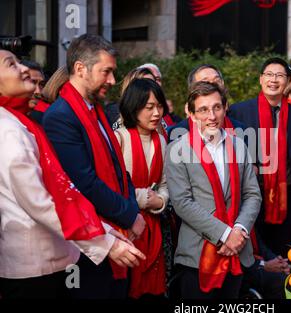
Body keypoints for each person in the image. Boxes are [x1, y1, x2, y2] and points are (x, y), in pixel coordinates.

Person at [0, 49, 145, 299]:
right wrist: (106, 241)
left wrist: (108, 231)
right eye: (11, 64)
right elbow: (45, 203)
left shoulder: (21, 123)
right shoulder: (10, 131)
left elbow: (72, 188)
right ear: (80, 69)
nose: (24, 68)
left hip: (55, 259)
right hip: (34, 269)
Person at [42, 34, 146, 299]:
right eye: (106, 72)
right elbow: (84, 183)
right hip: (87, 246)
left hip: (114, 233)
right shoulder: (60, 117)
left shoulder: (97, 111)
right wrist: (129, 215)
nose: (112, 81)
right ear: (80, 69)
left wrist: (131, 208)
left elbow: (119, 169)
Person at [164, 81, 261, 298]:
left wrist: (239, 231)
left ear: (225, 107)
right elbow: (182, 203)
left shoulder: (239, 145)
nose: (212, 115)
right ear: (191, 114)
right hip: (197, 257)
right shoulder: (177, 149)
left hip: (237, 252)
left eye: (217, 107)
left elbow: (252, 194)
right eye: (203, 110)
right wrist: (226, 234)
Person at [228, 57, 291, 258]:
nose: (274, 80)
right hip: (253, 195)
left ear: (287, 81)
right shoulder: (240, 111)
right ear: (261, 79)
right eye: (269, 75)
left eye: (279, 76)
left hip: (287, 196)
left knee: (286, 254)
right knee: (256, 253)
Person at [114, 78, 170, 299]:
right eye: (149, 107)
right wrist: (140, 197)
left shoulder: (161, 141)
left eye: (159, 106)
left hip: (153, 227)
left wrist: (161, 201)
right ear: (133, 107)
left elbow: (165, 184)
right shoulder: (120, 138)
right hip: (125, 227)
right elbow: (113, 185)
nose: (156, 113)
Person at [167, 64, 246, 143]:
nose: (213, 85)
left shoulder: (241, 131)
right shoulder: (177, 134)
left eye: (217, 80)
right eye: (206, 82)